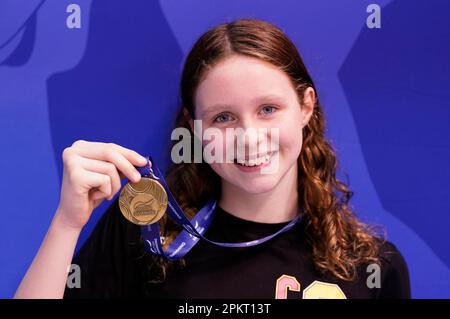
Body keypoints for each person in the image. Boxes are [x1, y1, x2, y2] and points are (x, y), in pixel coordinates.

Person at [14, 18, 410, 299]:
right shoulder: (144, 233)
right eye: (223, 117)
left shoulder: (373, 266)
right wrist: (67, 224)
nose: (250, 136)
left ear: (306, 107)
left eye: (269, 109)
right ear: (195, 126)